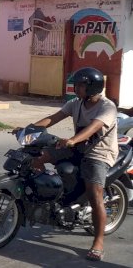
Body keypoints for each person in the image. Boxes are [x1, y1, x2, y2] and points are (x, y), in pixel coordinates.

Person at [14, 67, 117, 262]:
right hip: (75, 147)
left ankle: (98, 242)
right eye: (76, 85)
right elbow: (53, 118)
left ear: (93, 87)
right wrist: (28, 129)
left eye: (80, 85)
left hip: (98, 153)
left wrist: (73, 140)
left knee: (95, 195)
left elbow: (95, 126)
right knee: (37, 158)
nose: (76, 88)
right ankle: (51, 197)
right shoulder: (75, 104)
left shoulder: (107, 106)